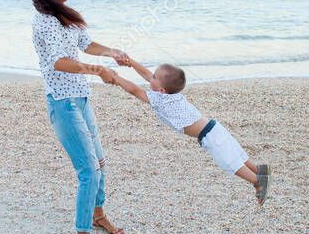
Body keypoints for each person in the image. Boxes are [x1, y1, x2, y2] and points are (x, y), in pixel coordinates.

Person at [31, 0, 130, 234]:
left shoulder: (64, 15)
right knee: (88, 171)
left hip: (81, 99)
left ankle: (97, 214)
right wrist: (98, 71)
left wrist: (111, 52)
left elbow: (86, 44)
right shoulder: (44, 21)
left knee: (100, 162)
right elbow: (58, 62)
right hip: (64, 104)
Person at [111, 58, 270, 204]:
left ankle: (257, 182)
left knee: (230, 162)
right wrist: (130, 62)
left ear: (161, 90)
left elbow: (135, 91)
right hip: (214, 128)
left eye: (154, 78)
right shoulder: (170, 93)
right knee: (236, 153)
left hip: (209, 136)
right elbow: (147, 74)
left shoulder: (160, 99)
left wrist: (117, 79)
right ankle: (259, 170)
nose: (150, 77)